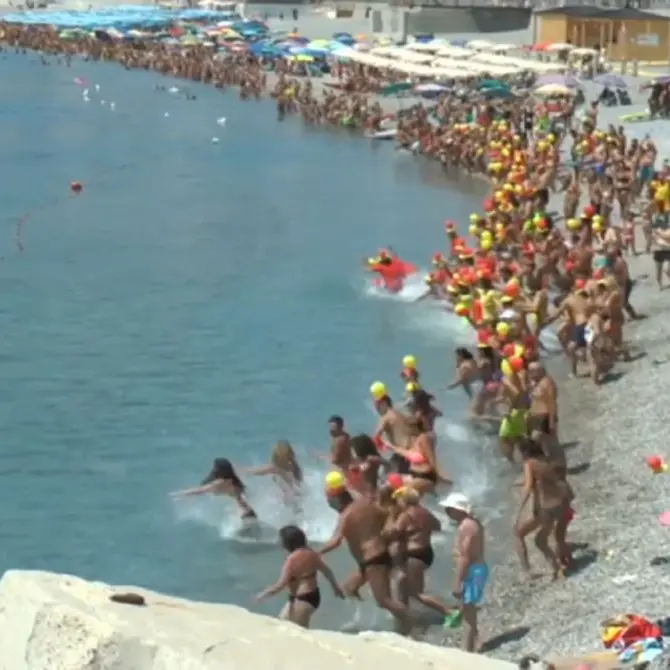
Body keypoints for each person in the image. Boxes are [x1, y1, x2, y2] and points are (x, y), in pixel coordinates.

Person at [320, 494, 413, 634]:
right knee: (350, 589)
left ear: (336, 499)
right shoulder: (366, 504)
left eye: (329, 501)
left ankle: (411, 625)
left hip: (373, 559)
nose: (328, 504)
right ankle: (362, 621)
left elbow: (336, 541)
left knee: (384, 600)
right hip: (373, 557)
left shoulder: (346, 515)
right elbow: (386, 514)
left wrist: (317, 552)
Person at [256, 525, 345, 628]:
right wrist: (336, 588)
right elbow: (327, 572)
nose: (279, 542)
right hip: (310, 596)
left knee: (299, 632)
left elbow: (280, 585)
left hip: (303, 598)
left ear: (287, 542)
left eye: (281, 540)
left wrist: (263, 595)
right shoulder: (312, 554)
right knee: (281, 624)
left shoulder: (291, 560)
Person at [514, 438, 573, 581]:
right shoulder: (546, 460)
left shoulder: (529, 464)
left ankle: (530, 570)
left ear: (524, 452)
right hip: (563, 503)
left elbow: (528, 488)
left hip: (546, 508)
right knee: (557, 537)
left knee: (522, 535)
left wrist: (518, 510)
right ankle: (564, 563)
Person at [439, 492, 488, 653]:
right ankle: (476, 641)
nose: (447, 511)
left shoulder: (466, 527)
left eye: (450, 509)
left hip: (471, 572)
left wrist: (458, 582)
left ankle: (468, 652)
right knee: (468, 610)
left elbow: (465, 557)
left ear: (459, 510)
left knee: (468, 613)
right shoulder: (474, 523)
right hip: (476, 569)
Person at [393, 486, 449, 615]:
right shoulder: (425, 512)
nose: (397, 503)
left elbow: (394, 534)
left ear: (405, 500)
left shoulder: (405, 515)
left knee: (417, 594)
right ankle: (406, 617)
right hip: (426, 553)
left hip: (414, 557)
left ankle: (448, 612)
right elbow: (437, 526)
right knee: (403, 585)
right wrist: (420, 531)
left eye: (399, 500)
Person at [170, 458, 257, 520]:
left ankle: (246, 518)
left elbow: (200, 491)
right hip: (243, 500)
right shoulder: (232, 477)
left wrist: (181, 494)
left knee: (241, 508)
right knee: (241, 503)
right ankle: (247, 517)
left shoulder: (220, 483)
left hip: (243, 506)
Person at [243, 440, 303, 510]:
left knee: (279, 481)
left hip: (291, 497)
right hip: (294, 496)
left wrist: (245, 471)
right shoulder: (292, 466)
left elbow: (259, 472)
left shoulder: (280, 467)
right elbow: (258, 472)